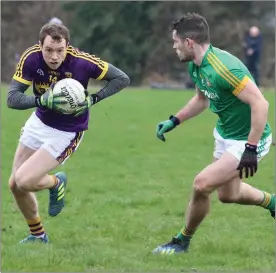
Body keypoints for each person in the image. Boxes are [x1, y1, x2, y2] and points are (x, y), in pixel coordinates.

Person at [153, 13, 274, 255]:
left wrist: (250, 148)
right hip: (225, 135)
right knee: (229, 195)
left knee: (201, 185)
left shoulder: (224, 68)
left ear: (189, 42)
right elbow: (201, 100)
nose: (173, 46)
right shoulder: (195, 65)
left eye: (176, 41)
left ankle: (181, 241)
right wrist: (174, 120)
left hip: (249, 139)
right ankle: (273, 202)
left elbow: (261, 104)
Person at [7, 23, 130, 243]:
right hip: (40, 121)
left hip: (66, 132)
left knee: (24, 181)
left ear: (67, 47)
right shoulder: (31, 58)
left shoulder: (83, 62)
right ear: (40, 46)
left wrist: (93, 99)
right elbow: (12, 98)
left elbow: (122, 78)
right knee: (14, 185)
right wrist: (41, 100)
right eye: (48, 50)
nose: (54, 56)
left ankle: (56, 183)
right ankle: (38, 236)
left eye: (59, 50)